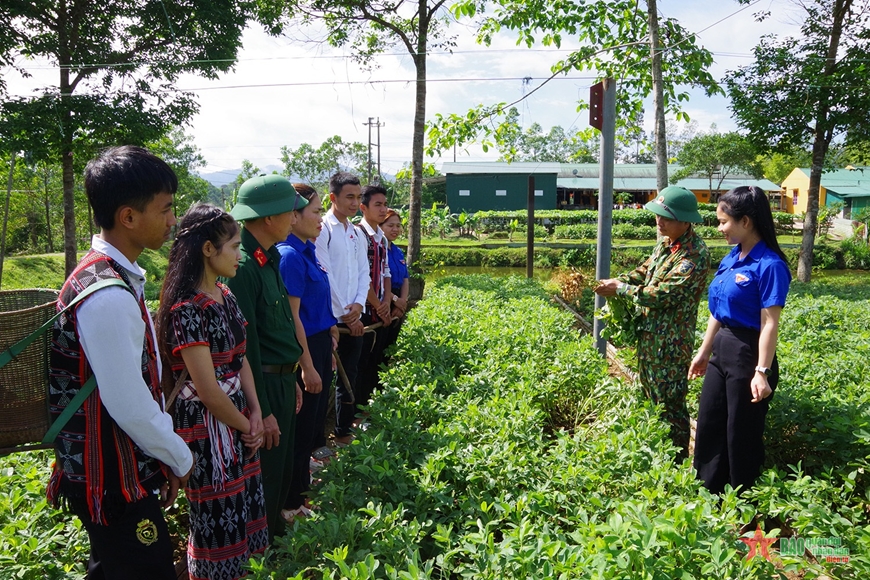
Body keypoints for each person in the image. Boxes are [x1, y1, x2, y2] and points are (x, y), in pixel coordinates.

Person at [46, 145, 193, 580]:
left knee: (113, 567)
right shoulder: (107, 295)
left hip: (113, 465)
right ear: (128, 217)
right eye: (165, 209)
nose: (172, 221)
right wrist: (178, 456)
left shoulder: (108, 277)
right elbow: (128, 403)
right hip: (108, 475)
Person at [156, 204, 268, 579]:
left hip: (235, 418)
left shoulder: (226, 295)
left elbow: (241, 360)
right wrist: (246, 425)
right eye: (234, 246)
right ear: (208, 249)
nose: (240, 255)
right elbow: (207, 389)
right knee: (216, 519)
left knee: (244, 509)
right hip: (208, 430)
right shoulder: (187, 309)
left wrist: (254, 411)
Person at [594, 186, 711, 460]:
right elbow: (645, 271)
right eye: (657, 216)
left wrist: (622, 289)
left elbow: (663, 295)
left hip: (670, 347)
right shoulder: (666, 242)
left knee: (670, 407)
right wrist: (618, 281)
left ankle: (676, 462)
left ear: (685, 221)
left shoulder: (694, 255)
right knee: (650, 401)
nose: (659, 222)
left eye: (666, 218)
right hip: (650, 340)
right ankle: (655, 456)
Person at [689, 185, 791, 494]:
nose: (720, 228)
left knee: (740, 432)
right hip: (723, 347)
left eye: (724, 222)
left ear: (745, 221)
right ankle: (707, 494)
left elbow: (769, 323)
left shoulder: (770, 265)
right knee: (709, 422)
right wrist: (705, 351)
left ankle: (742, 502)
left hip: (749, 352)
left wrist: (762, 372)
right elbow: (718, 312)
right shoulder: (733, 258)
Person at [225, 174, 308, 541]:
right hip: (263, 386)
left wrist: (293, 377)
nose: (295, 219)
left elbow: (281, 329)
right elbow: (247, 346)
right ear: (269, 217)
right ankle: (263, 549)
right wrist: (265, 408)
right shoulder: (242, 268)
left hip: (281, 380)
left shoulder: (270, 258)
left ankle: (274, 536)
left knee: (283, 468)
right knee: (268, 473)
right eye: (291, 212)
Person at [276, 184, 339, 520]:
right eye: (315, 212)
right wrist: (307, 365)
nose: (319, 219)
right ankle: (292, 503)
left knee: (313, 422)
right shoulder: (288, 257)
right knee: (300, 430)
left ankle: (301, 491)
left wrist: (329, 327)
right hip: (304, 349)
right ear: (294, 216)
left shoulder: (308, 250)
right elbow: (292, 317)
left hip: (317, 341)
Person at [315, 171, 370, 445]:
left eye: (358, 197)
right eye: (350, 197)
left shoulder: (355, 232)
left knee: (350, 372)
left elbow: (364, 272)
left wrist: (359, 304)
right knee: (322, 381)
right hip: (330, 320)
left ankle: (343, 430)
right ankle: (316, 441)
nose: (354, 203)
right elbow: (324, 274)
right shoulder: (322, 229)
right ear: (333, 197)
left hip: (353, 318)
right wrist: (345, 313)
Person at [355, 184, 392, 408]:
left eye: (385, 204)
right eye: (377, 204)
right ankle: (359, 412)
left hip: (379, 308)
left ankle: (371, 406)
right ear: (363, 208)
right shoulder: (358, 235)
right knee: (360, 364)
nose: (383, 209)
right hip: (366, 311)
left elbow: (385, 272)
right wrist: (378, 305)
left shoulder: (382, 238)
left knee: (375, 362)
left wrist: (387, 301)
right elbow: (361, 276)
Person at [381, 208, 410, 355]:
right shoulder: (379, 249)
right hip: (384, 299)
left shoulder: (398, 251)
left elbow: (405, 278)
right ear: (380, 226)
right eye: (390, 225)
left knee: (390, 346)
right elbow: (377, 280)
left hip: (398, 301)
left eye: (398, 225)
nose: (395, 229)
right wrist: (394, 299)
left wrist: (402, 302)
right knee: (378, 348)